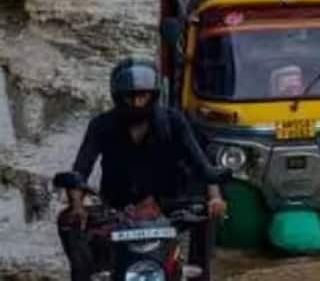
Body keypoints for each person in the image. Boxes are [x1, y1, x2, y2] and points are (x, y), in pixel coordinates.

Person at [57, 57, 227, 281]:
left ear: (154, 95)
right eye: (130, 96)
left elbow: (201, 163)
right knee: (68, 222)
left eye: (143, 95)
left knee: (206, 217)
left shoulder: (173, 121)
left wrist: (215, 198)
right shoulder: (101, 125)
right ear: (118, 97)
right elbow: (80, 170)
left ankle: (200, 275)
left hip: (169, 206)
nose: (137, 102)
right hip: (117, 208)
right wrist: (76, 204)